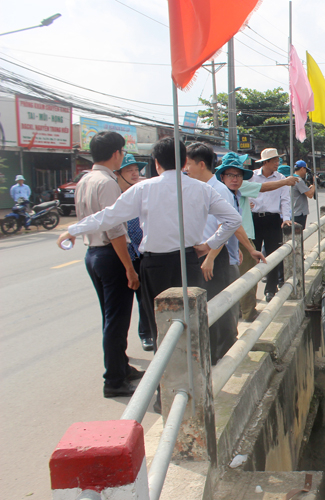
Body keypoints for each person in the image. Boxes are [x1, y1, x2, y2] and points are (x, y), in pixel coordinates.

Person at [58, 138, 242, 366]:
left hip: (155, 267)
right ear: (184, 161)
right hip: (189, 261)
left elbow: (109, 216)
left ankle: (164, 390)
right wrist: (209, 244)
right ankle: (195, 379)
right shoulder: (202, 189)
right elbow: (233, 219)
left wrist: (73, 230)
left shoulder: (144, 189)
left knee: (160, 327)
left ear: (156, 163)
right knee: (191, 321)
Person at [62, 131, 141, 398]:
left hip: (93, 254)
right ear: (117, 153)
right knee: (117, 320)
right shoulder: (107, 183)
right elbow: (115, 229)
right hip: (110, 255)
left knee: (111, 318)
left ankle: (121, 366)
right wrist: (129, 267)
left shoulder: (85, 179)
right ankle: (114, 380)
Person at [114, 154, 154, 352]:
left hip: (143, 253)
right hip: (123, 255)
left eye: (136, 170)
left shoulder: (144, 192)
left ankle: (146, 333)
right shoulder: (114, 196)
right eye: (129, 170)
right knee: (122, 306)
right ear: (118, 174)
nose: (134, 173)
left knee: (145, 298)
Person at [249, 148, 293, 303]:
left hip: (273, 220)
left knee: (273, 256)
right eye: (274, 160)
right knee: (252, 256)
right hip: (254, 220)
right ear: (265, 162)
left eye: (278, 160)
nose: (277, 163)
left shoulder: (281, 178)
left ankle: (271, 289)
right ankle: (249, 293)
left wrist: (286, 218)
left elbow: (285, 200)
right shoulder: (252, 177)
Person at [290, 160, 315, 229]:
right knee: (299, 235)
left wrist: (310, 187)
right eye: (305, 170)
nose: (305, 173)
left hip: (293, 211)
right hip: (299, 213)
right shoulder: (298, 180)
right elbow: (310, 195)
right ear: (302, 169)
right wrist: (314, 184)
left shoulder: (292, 178)